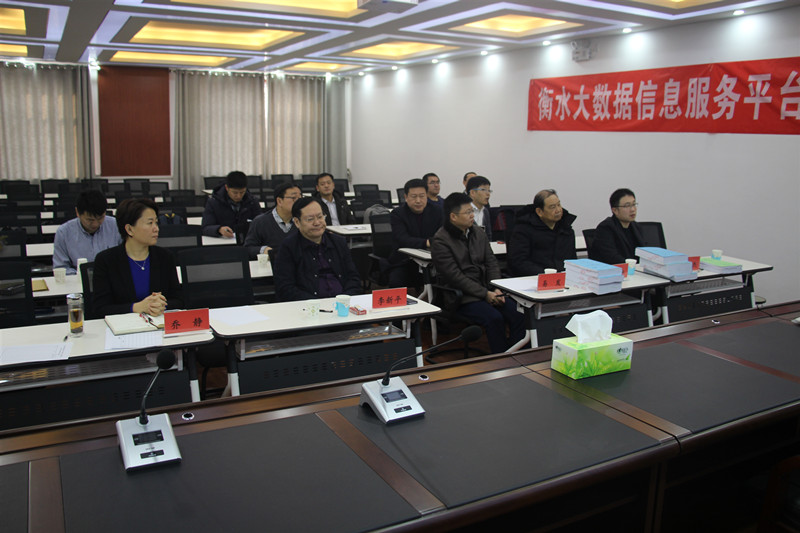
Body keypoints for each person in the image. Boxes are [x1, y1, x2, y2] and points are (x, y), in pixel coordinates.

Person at [431, 193, 524, 354]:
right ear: (453, 216)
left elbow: (491, 262)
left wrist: (496, 288)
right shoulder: (441, 241)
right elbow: (455, 277)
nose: (472, 215)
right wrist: (485, 294)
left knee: (519, 314)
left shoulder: (478, 232)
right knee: (494, 318)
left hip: (488, 290)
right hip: (461, 297)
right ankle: (501, 359)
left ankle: (516, 354)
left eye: (472, 211)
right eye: (467, 212)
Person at [93, 198, 183, 317]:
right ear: (129, 229)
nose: (156, 228)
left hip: (158, 324)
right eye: (150, 223)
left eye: (156, 222)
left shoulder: (165, 257)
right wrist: (135, 307)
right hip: (124, 326)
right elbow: (100, 309)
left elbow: (179, 301)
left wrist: (161, 305)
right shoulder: (106, 260)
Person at [273, 197, 361, 301]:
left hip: (343, 304)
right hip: (308, 306)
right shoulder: (288, 247)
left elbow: (353, 278)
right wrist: (315, 304)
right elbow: (285, 288)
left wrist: (345, 298)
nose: (317, 222)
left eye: (320, 217)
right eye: (310, 219)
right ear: (297, 222)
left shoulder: (338, 242)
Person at [386, 178, 443, 288]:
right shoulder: (397, 214)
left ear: (427, 196)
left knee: (447, 281)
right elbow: (402, 239)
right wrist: (426, 242)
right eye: (413, 196)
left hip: (432, 260)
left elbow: (442, 234)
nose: (418, 200)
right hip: (404, 260)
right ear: (406, 197)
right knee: (396, 282)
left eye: (422, 196)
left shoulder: (437, 211)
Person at [508, 189, 577, 276]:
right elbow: (519, 262)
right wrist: (545, 274)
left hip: (563, 278)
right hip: (534, 277)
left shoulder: (566, 228)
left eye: (559, 205)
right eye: (552, 207)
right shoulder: (523, 230)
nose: (558, 210)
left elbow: (572, 260)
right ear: (539, 212)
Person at [52, 189, 121, 274]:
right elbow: (61, 268)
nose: (95, 224)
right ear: (77, 212)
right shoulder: (64, 233)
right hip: (79, 279)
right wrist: (83, 276)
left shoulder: (116, 226)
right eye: (90, 220)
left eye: (100, 218)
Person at [243, 182, 301, 259]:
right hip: (271, 264)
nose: (299, 202)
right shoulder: (260, 221)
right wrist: (263, 250)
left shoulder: (303, 221)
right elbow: (248, 249)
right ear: (279, 201)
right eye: (294, 198)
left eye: (300, 198)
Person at [589, 188, 647, 265]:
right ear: (615, 210)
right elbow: (612, 258)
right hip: (614, 269)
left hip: (634, 269)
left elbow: (642, 253)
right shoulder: (606, 228)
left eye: (634, 204)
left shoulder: (636, 227)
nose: (633, 209)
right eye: (627, 206)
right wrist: (632, 265)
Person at [201, 170, 262, 243]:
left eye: (242, 192)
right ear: (227, 188)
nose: (239, 196)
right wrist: (219, 229)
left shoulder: (252, 201)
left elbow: (260, 223)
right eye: (235, 193)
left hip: (247, 241)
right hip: (223, 242)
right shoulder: (214, 202)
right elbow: (205, 227)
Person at [466, 175, 493, 241]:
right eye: (484, 190)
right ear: (472, 193)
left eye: (489, 190)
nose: (488, 194)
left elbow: (488, 235)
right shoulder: (463, 211)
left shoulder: (485, 211)